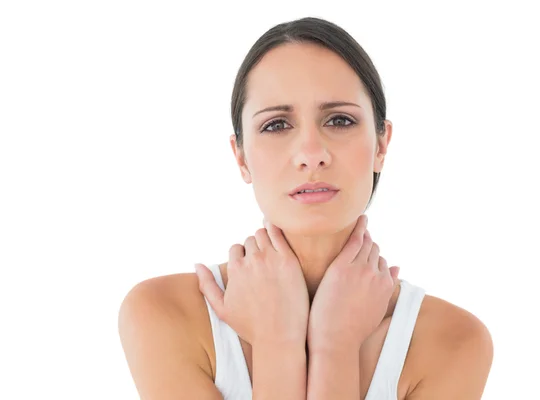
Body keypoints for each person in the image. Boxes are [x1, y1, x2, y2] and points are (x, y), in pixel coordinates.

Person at [118, 16, 494, 400]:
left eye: (340, 120)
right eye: (276, 125)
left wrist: (335, 343)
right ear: (241, 157)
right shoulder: (162, 314)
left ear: (382, 145)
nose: (311, 155)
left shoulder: (454, 341)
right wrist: (279, 341)